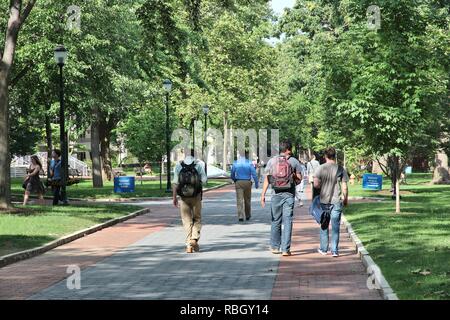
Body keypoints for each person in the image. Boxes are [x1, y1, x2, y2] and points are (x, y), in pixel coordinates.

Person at [261, 141, 303, 257]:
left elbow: (267, 179)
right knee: (288, 220)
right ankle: (285, 249)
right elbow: (299, 180)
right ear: (288, 150)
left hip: (275, 194)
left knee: (275, 221)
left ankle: (275, 247)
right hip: (289, 194)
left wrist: (263, 195)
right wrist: (294, 176)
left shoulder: (272, 161)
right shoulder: (294, 161)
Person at [313, 147, 349, 257]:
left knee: (324, 225)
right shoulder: (340, 169)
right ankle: (334, 250)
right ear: (334, 156)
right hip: (337, 201)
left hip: (324, 200)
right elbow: (345, 187)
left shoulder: (321, 168)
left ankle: (324, 249)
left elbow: (316, 185)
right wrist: (346, 198)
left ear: (325, 156)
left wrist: (322, 185)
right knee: (335, 226)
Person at [172, 151, 207, 253]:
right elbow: (204, 180)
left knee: (186, 220)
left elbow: (175, 182)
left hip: (183, 197)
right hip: (196, 196)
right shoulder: (199, 165)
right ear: (194, 155)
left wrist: (174, 197)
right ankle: (194, 238)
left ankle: (188, 245)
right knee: (197, 218)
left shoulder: (179, 166)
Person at [231, 152, 259, 222]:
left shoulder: (235, 163)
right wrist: (256, 183)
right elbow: (254, 174)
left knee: (239, 200)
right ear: (246, 156)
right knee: (247, 200)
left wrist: (235, 180)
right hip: (247, 182)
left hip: (239, 182)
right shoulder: (249, 163)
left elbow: (232, 174)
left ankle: (240, 216)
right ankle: (248, 215)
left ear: (239, 156)